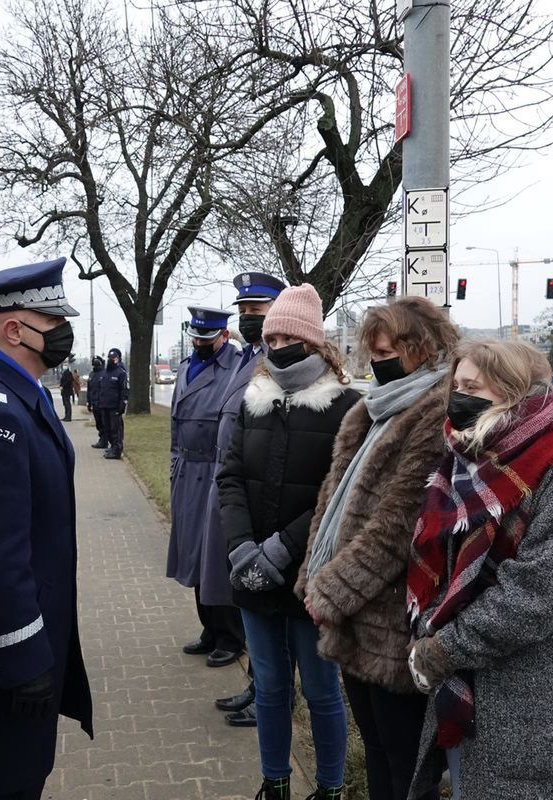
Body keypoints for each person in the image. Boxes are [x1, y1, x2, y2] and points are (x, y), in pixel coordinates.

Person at [406, 339, 553, 800]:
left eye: (471, 386)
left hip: (532, 700)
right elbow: (443, 561)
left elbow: (538, 594)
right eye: (456, 385)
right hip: (466, 692)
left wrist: (444, 648)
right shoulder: (465, 462)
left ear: (513, 392)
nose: (457, 396)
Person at [0, 257, 93, 799]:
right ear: (14, 329)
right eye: (54, 324)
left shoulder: (24, 393)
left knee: (22, 768)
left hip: (27, 629)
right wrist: (23, 659)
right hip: (4, 650)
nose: (63, 335)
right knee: (2, 776)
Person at [295, 298, 458, 800]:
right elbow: (332, 504)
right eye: (374, 351)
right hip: (355, 615)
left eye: (389, 350)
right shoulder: (374, 409)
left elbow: (397, 527)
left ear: (423, 348)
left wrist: (330, 592)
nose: (378, 361)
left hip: (394, 621)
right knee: (377, 752)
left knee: (406, 767)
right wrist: (312, 576)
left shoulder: (434, 415)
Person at [218, 284, 361, 800]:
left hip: (311, 578)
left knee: (322, 692)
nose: (275, 343)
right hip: (251, 573)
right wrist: (240, 548)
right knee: (272, 688)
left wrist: (282, 549)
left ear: (314, 343)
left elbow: (340, 492)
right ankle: (274, 781)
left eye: (287, 335)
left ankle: (329, 787)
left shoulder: (348, 407)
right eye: (270, 334)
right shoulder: (251, 402)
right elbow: (229, 477)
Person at [203, 272, 286, 727]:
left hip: (266, 498)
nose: (246, 320)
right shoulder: (249, 357)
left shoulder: (282, 361)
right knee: (251, 602)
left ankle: (272, 693)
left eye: (255, 312)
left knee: (268, 602)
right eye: (244, 312)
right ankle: (259, 685)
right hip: (241, 492)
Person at [167, 306, 246, 667]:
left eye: (207, 338)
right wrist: (173, 464)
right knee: (193, 555)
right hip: (187, 471)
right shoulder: (185, 366)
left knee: (215, 555)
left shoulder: (236, 369)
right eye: (196, 337)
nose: (199, 343)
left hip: (213, 470)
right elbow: (174, 421)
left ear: (224, 337)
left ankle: (230, 635)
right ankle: (209, 628)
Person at [96, 348, 129, 459]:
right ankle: (112, 447)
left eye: (114, 358)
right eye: (110, 358)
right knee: (108, 429)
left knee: (116, 430)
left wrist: (122, 404)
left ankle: (117, 450)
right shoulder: (104, 373)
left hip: (114, 407)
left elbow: (124, 390)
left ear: (118, 359)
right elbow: (101, 389)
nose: (111, 360)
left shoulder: (121, 373)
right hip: (104, 406)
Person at [87, 355, 108, 448]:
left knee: (104, 423)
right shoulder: (91, 375)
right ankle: (102, 439)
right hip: (94, 402)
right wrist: (89, 402)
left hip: (102, 403)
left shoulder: (104, 373)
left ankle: (104, 441)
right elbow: (89, 390)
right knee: (98, 423)